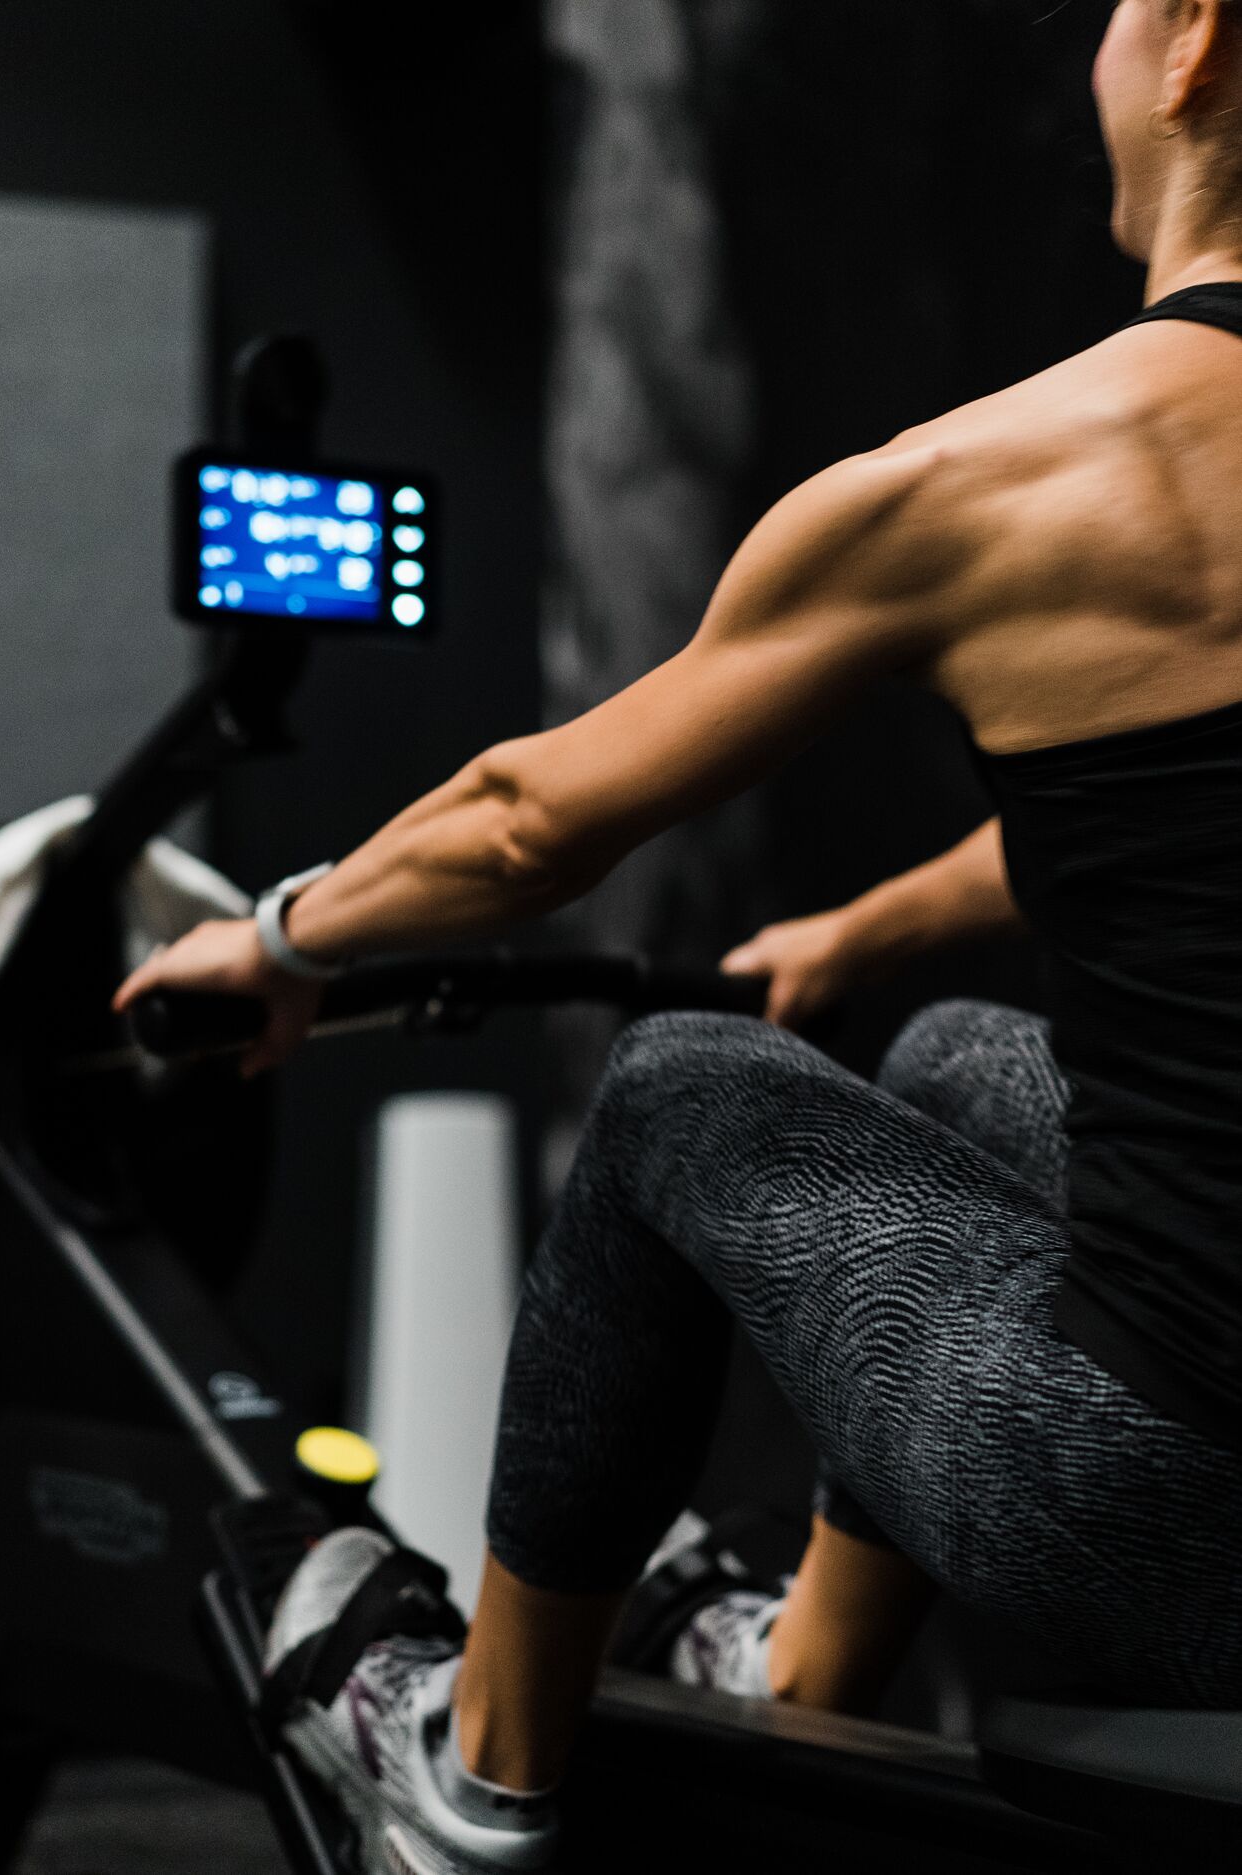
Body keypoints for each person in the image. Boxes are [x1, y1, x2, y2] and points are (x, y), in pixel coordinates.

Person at [115, 4, 1242, 1868]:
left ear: (1196, 41)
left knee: (678, 1093)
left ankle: (469, 1791)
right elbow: (1146, 835)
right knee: (956, 1059)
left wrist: (291, 940)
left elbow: (530, 821)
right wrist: (864, 926)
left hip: (1163, 1499)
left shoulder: (999, 481)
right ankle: (803, 1673)